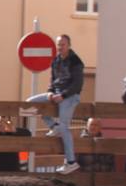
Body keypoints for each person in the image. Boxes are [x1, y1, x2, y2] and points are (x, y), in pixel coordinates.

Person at [24, 34, 84, 174]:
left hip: (69, 96)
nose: (60, 47)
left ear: (69, 45)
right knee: (29, 104)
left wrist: (63, 96)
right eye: (58, 44)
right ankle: (53, 126)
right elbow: (52, 80)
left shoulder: (76, 61)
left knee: (64, 127)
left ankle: (71, 162)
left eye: (62, 44)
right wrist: (50, 92)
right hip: (56, 94)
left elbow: (77, 85)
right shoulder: (55, 60)